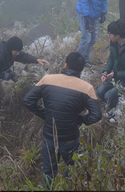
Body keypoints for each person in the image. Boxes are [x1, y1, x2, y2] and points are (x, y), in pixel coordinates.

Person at [23, 52, 102, 187]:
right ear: (81, 69)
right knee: (71, 172)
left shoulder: (47, 79)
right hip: (70, 138)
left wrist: (46, 115)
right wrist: (80, 119)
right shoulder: (86, 88)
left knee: (48, 173)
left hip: (49, 136)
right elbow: (96, 115)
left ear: (65, 65)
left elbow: (28, 101)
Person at [76, 0, 120, 67]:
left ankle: (86, 60)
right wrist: (86, 15)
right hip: (84, 13)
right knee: (86, 38)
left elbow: (104, 0)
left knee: (93, 38)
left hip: (95, 14)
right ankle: (77, 61)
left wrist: (103, 12)